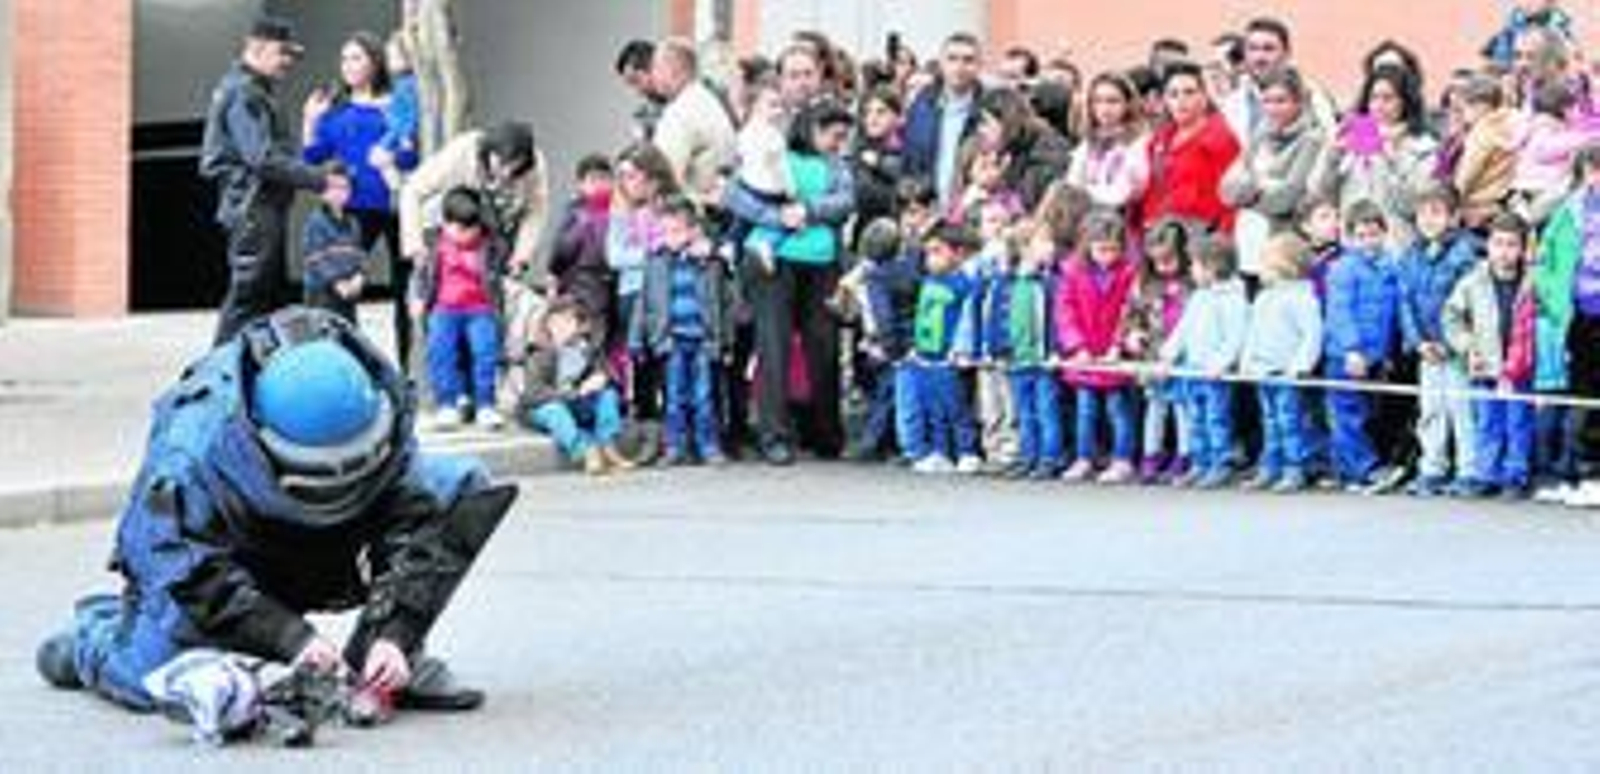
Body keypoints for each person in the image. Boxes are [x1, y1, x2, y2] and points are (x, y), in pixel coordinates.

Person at [36, 306, 515, 724]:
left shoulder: (372, 398)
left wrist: (395, 632)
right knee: (157, 681)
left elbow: (415, 515)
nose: (340, 482)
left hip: (324, 550)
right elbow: (184, 568)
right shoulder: (191, 448)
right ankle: (92, 640)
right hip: (230, 567)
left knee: (461, 485)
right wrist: (290, 639)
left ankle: (375, 664)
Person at [725, 100, 857, 465]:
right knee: (774, 347)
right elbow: (734, 194)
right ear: (812, 130)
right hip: (774, 263)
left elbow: (846, 201)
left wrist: (808, 210)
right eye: (833, 136)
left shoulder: (837, 165)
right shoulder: (772, 153)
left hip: (822, 262)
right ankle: (774, 435)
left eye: (842, 138)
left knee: (824, 348)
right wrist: (777, 217)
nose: (837, 144)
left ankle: (826, 433)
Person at [200, 16, 327, 345]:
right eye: (282, 52)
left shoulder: (251, 89)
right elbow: (262, 158)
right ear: (256, 48)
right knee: (249, 296)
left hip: (259, 205)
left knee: (264, 298)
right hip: (253, 206)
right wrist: (321, 180)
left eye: (290, 55)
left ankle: (250, 368)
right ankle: (218, 368)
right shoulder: (244, 92)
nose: (288, 61)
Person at [302, 31, 410, 367]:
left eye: (356, 58)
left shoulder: (397, 105)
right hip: (353, 211)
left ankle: (409, 368)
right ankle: (339, 363)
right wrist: (310, 119)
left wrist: (395, 155)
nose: (347, 65)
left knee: (406, 292)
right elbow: (312, 157)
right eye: (344, 58)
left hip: (399, 207)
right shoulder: (337, 110)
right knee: (337, 287)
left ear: (375, 62)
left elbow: (411, 157)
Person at [630, 196, 734, 466]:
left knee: (704, 396)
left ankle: (708, 445)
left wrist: (726, 341)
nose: (669, 238)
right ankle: (674, 445)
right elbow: (643, 302)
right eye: (664, 231)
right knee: (674, 396)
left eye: (676, 231)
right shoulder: (655, 262)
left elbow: (724, 303)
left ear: (692, 231)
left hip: (702, 339)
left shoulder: (709, 263)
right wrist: (636, 339)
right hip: (671, 339)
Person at [1444, 212, 1538, 499]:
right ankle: (1487, 473)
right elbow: (1451, 317)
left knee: (1518, 423)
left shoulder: (1533, 282)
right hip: (1485, 366)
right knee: (1487, 422)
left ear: (1522, 249)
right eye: (1498, 243)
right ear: (1488, 245)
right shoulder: (1473, 281)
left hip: (1520, 369)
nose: (1504, 251)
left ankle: (1515, 475)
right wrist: (1467, 347)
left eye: (1511, 244)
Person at [1397, 185, 1481, 497]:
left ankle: (1469, 470)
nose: (1428, 220)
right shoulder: (1411, 255)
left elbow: (1469, 305)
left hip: (1457, 350)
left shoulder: (1466, 254)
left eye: (1436, 212)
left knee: (1462, 409)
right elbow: (1405, 302)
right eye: (1423, 213)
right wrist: (1418, 342)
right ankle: (1432, 468)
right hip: (1427, 349)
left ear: (1454, 217)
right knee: (1431, 409)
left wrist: (1454, 343)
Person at [399, 121, 550, 290]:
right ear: (489, 149)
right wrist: (415, 246)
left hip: (496, 230)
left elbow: (535, 211)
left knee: (492, 290)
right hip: (447, 228)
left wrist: (521, 257)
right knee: (436, 288)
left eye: (514, 168)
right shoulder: (462, 150)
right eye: (502, 164)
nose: (506, 173)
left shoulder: (534, 166)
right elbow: (412, 190)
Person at [1533, 143, 1600, 502]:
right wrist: (1554, 299)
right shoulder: (1568, 210)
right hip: (1578, 316)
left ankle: (1592, 474)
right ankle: (1580, 474)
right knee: (1580, 396)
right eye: (1593, 170)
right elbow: (1544, 259)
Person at [408, 188, 505, 431]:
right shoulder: (433, 242)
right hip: (443, 309)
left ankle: (485, 404)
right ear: (445, 223)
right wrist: (418, 298)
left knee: (485, 354)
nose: (465, 235)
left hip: (480, 308)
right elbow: (421, 273)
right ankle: (446, 405)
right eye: (458, 228)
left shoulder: (490, 243)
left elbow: (500, 247)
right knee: (441, 355)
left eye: (471, 229)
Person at [1220, 65, 1328, 283]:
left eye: (1281, 101)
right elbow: (1225, 189)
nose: (1273, 108)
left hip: (1284, 248)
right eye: (1267, 101)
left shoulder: (1312, 139)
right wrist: (1262, 186)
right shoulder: (1260, 133)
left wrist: (1248, 192)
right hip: (1249, 242)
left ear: (1298, 102)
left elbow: (1287, 197)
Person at [1057, 212, 1142, 485]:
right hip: (1085, 356)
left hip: (1114, 357)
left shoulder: (1129, 273)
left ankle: (1122, 460)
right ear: (1088, 246)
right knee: (1086, 411)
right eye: (1101, 249)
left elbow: (1130, 312)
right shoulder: (1073, 272)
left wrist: (1119, 345)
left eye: (1114, 249)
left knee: (1119, 410)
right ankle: (1084, 458)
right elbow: (1065, 311)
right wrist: (1077, 347)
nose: (1107, 256)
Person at [1160, 237, 1251, 489]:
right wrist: (1169, 353)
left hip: (1214, 375)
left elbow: (1236, 337)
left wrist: (1221, 364)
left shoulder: (1234, 299)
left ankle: (1220, 464)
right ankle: (1200, 463)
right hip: (1192, 370)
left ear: (1212, 267)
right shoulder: (1199, 297)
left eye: (1195, 265)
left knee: (1216, 419)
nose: (1190, 269)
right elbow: (1183, 329)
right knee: (1195, 420)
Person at [1323, 201, 1401, 491]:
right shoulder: (1343, 269)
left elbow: (1391, 314)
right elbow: (1339, 312)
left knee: (1364, 414)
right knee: (1348, 413)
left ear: (1384, 233)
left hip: (1374, 356)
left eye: (1374, 234)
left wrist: (1387, 352)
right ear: (1349, 238)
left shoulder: (1390, 266)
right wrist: (1351, 349)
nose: (1368, 241)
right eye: (1361, 236)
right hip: (1344, 356)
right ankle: (1366, 468)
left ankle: (1345, 471)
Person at [1239, 233, 1324, 492]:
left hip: (1287, 373)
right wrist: (1247, 360)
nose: (1261, 270)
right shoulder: (1264, 298)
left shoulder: (1303, 298)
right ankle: (1270, 467)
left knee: (1291, 422)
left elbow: (1312, 334)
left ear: (1287, 266)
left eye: (1266, 263)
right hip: (1263, 371)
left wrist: (1301, 365)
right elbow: (1253, 332)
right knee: (1270, 422)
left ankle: (1295, 467)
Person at [980, 220, 1063, 479]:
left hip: (1042, 362)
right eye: (1044, 241)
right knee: (1024, 413)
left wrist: (1055, 350)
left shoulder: (1049, 283)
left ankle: (1049, 458)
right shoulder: (1004, 282)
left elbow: (1057, 321)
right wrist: (994, 349)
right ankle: (1028, 456)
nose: (1051, 247)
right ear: (1026, 248)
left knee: (1047, 412)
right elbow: (994, 318)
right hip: (1015, 361)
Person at [899, 223, 981, 474]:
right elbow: (921, 316)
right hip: (925, 355)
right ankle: (941, 451)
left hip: (948, 356)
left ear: (958, 254)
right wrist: (915, 346)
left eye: (938, 252)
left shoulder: (963, 284)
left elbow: (968, 320)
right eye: (928, 253)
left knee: (956, 406)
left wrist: (963, 349)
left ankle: (967, 451)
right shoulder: (927, 281)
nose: (930, 259)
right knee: (934, 409)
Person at [1329, 64, 1439, 250]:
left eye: (1388, 98)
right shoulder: (1354, 137)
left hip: (1396, 249)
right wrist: (1332, 155)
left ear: (1406, 102)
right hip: (1352, 247)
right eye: (1373, 98)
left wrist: (1392, 160)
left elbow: (1415, 206)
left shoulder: (1425, 148)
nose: (1378, 105)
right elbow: (1320, 193)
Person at [521, 298, 633, 476]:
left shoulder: (586, 349)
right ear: (548, 324)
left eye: (569, 321)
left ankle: (608, 446)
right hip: (544, 406)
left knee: (608, 395)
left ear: (578, 325)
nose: (563, 327)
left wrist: (602, 378)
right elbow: (533, 392)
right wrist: (574, 393)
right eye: (557, 322)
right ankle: (584, 451)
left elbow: (609, 375)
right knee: (555, 410)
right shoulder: (540, 352)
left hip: (577, 403)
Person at [1124, 219, 1195, 484]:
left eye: (1169, 260)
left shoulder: (1193, 284)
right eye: (1156, 261)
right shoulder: (1144, 283)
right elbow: (1131, 314)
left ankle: (1185, 454)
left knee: (1182, 406)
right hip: (1153, 354)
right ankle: (1151, 453)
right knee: (1155, 405)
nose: (1162, 266)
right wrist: (1132, 334)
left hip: (1184, 357)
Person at [844, 218, 921, 461]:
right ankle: (889, 442)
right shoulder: (909, 270)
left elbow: (882, 315)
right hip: (910, 339)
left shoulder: (876, 277)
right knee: (897, 395)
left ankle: (871, 443)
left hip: (888, 345)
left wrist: (889, 347)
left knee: (884, 395)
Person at [1140, 62, 1242, 236]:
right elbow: (1153, 190)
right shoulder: (1158, 140)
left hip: (1204, 234)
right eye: (1173, 94)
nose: (1181, 100)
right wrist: (1149, 222)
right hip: (1162, 233)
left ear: (1204, 97)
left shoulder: (1221, 137)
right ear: (1165, 100)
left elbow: (1232, 198)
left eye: (1189, 92)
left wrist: (1223, 237)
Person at [651, 38, 738, 207]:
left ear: (675, 69)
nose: (653, 75)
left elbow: (665, 175)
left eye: (656, 67)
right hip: (721, 205)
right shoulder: (708, 101)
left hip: (692, 211)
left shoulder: (680, 112)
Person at [904, 32, 985, 207]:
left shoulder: (988, 109)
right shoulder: (921, 105)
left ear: (980, 65)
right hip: (926, 209)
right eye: (952, 59)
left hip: (971, 211)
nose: (959, 67)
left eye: (968, 60)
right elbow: (909, 162)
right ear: (941, 63)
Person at [548, 154, 618, 343]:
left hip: (613, 282)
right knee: (589, 331)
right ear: (580, 185)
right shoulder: (575, 212)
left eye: (605, 179)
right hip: (583, 282)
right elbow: (560, 252)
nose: (600, 185)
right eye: (593, 180)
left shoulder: (619, 209)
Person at [1066, 72, 1150, 220]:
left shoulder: (1139, 143)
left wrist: (1084, 193)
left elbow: (1121, 194)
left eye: (1113, 101)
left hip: (1122, 220)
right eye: (1097, 101)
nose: (1104, 108)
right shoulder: (1088, 143)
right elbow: (1072, 183)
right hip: (1086, 218)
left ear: (1128, 104)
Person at [301, 163, 366, 325]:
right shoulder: (315, 222)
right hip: (322, 294)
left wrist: (359, 276)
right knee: (324, 332)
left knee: (347, 330)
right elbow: (316, 259)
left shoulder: (353, 223)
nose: (338, 193)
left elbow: (359, 255)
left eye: (344, 188)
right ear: (321, 191)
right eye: (332, 187)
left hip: (347, 293)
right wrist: (337, 282)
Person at [1454, 76, 1520, 231]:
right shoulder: (1510, 124)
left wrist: (1454, 197)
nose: (1464, 114)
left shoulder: (1482, 132)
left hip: (1477, 203)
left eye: (1465, 107)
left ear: (1481, 106)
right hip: (1501, 200)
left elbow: (1468, 172)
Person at [371, 31, 421, 194]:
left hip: (401, 132)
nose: (389, 62)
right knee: (378, 157)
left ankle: (400, 189)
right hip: (398, 130)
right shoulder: (402, 83)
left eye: (393, 56)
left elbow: (410, 113)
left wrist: (406, 137)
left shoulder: (409, 84)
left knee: (378, 156)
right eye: (389, 57)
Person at [1483, 0, 1575, 69]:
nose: (1530, 3)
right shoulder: (1510, 32)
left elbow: (1568, 61)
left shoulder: (1559, 30)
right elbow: (1499, 61)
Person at [615, 39, 664, 141]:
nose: (636, 91)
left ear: (652, 67)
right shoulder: (642, 117)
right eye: (630, 84)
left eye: (635, 80)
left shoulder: (688, 98)